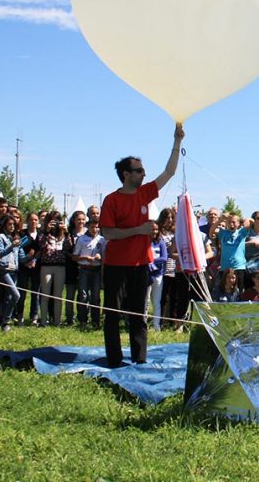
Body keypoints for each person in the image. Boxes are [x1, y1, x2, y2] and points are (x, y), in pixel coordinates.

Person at [99, 123, 184, 368]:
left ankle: (140, 358)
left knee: (139, 314)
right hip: (116, 266)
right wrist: (138, 230)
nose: (143, 174)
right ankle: (114, 359)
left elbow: (168, 173)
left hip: (140, 266)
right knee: (113, 315)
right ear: (126, 174)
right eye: (138, 170)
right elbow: (108, 233)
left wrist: (177, 142)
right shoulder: (112, 200)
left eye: (143, 170)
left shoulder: (144, 194)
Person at [74, 217, 106, 330]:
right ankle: (82, 320)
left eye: (97, 227)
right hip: (84, 269)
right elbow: (75, 257)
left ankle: (96, 321)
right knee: (83, 295)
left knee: (96, 297)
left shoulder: (102, 240)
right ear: (88, 226)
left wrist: (99, 256)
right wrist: (86, 258)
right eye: (92, 227)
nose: (94, 229)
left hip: (96, 270)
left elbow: (104, 257)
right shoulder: (81, 239)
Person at [0, 216, 22, 332]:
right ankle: (7, 320)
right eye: (9, 224)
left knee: (9, 297)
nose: (12, 226)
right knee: (16, 295)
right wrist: (11, 246)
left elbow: (19, 255)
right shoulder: (1, 237)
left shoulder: (13, 237)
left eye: (13, 225)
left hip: (13, 269)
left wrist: (31, 258)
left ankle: (3, 323)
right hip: (3, 269)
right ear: (4, 225)